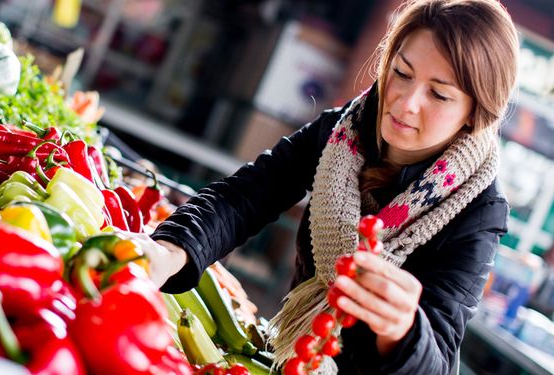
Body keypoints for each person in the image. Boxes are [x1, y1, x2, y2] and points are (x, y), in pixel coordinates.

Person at [129, 0, 519, 373]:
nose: (405, 102)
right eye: (401, 72)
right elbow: (244, 196)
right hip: (292, 358)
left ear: (475, 115)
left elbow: (438, 360)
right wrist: (170, 252)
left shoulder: (479, 210)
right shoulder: (342, 133)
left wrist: (403, 331)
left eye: (438, 93)